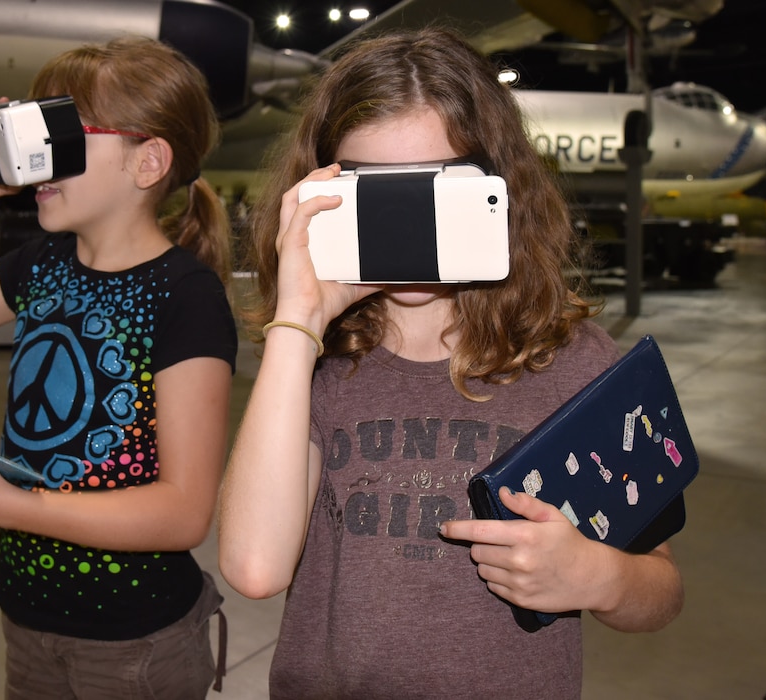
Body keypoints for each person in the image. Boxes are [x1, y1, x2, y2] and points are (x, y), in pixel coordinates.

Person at [217, 27, 683, 699]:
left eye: (435, 189)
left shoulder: (574, 365)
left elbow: (661, 590)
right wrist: (301, 321)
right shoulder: (317, 365)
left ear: (497, 190)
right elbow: (256, 568)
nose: (405, 225)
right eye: (372, 191)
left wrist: (597, 577)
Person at [0, 36, 237, 699]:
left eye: (65, 133)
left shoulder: (185, 297)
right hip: (26, 618)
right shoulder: (41, 264)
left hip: (133, 641)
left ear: (148, 160)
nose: (39, 160)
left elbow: (182, 513)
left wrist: (5, 504)